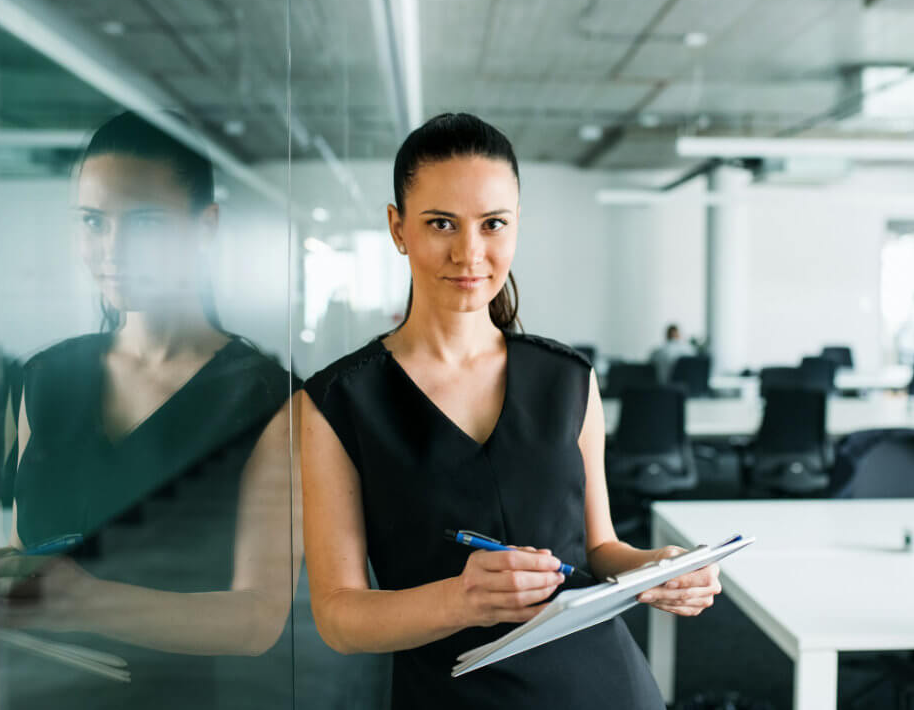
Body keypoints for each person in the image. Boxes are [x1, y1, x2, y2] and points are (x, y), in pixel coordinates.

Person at [301, 113, 721, 710]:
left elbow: (599, 550)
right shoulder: (336, 401)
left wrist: (656, 568)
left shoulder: (568, 379)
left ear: (516, 225)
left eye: (493, 224)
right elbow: (339, 617)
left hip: (603, 686)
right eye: (440, 223)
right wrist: (461, 599)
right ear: (398, 228)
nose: (470, 253)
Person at [0, 112, 299, 706]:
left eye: (144, 222)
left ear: (204, 227)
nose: (112, 250)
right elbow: (29, 552)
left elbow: (258, 618)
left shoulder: (266, 401)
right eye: (92, 222)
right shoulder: (42, 380)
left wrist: (85, 599)